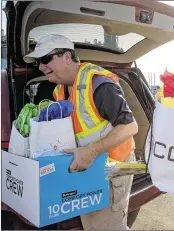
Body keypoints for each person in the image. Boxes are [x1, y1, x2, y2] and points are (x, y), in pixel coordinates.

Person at [23, 34, 138, 230]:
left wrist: (92, 151)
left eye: (45, 60)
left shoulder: (99, 84)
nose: (41, 67)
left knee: (107, 227)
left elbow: (130, 126)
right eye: (38, 63)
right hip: (90, 167)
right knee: (92, 224)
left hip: (116, 167)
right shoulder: (60, 89)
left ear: (67, 57)